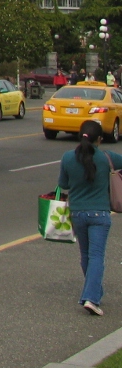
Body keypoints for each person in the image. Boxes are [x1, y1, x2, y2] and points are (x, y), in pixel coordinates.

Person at [58, 120, 122, 315]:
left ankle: (94, 292)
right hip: (100, 214)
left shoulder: (68, 157)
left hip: (77, 213)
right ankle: (91, 298)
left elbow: (64, 184)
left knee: (86, 255)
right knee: (96, 256)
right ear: (100, 139)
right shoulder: (106, 157)